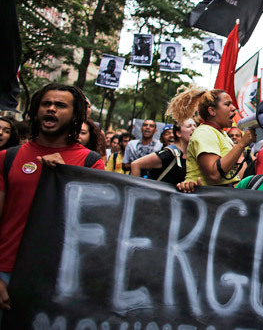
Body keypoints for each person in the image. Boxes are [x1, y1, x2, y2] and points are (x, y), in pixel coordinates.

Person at [0, 83, 105, 311]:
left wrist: (66, 176)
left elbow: (96, 225)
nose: (51, 109)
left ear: (75, 114)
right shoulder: (7, 158)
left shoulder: (91, 163)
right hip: (6, 272)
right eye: (46, 104)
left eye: (60, 105)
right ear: (36, 110)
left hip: (61, 278)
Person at [169, 85, 255, 186]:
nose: (233, 108)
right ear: (212, 111)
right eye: (227, 104)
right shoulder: (204, 132)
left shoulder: (220, 133)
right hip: (204, 198)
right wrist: (242, 144)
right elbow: (214, 174)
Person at [131, 118, 196, 185]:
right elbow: (136, 164)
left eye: (195, 125)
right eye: (189, 126)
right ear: (178, 133)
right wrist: (136, 191)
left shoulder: (191, 155)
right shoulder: (169, 153)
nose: (194, 128)